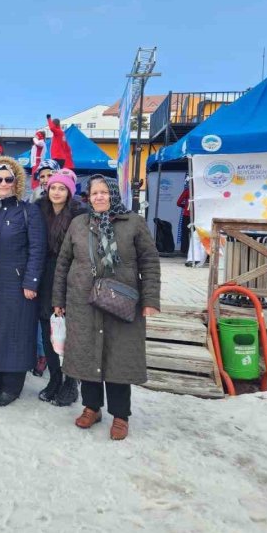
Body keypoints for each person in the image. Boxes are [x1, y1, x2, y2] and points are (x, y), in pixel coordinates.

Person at [52, 175, 161, 441]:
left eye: (105, 192)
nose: (99, 197)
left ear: (114, 194)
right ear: (87, 197)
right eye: (94, 193)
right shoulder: (79, 223)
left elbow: (149, 261)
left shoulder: (133, 223)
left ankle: (121, 416)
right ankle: (92, 407)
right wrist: (58, 300)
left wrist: (150, 300)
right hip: (82, 301)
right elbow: (63, 263)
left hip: (121, 302)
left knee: (119, 357)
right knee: (87, 354)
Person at [0, 157, 46, 406]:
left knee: (16, 332)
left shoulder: (28, 211)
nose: (3, 183)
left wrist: (31, 282)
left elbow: (37, 249)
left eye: (9, 179)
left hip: (16, 283)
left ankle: (12, 385)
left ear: (17, 182)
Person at [36, 172, 86, 405]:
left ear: (69, 192)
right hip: (44, 275)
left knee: (69, 331)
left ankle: (70, 382)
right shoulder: (39, 209)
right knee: (48, 329)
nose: (56, 192)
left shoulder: (79, 215)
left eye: (62, 188)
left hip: (69, 275)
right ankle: (54, 378)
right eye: (53, 187)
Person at [176, 178, 191, 260]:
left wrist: (184, 207)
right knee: (195, 233)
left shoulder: (187, 191)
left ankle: (184, 250)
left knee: (185, 233)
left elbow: (178, 202)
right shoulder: (200, 191)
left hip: (187, 214)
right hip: (197, 215)